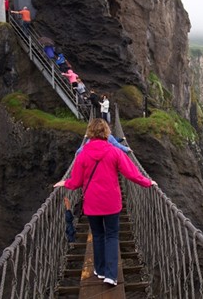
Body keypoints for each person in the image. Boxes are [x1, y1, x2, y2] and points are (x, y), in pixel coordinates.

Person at [54, 118, 157, 286]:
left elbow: (77, 181)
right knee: (111, 236)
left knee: (98, 236)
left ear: (90, 133)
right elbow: (131, 173)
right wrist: (147, 182)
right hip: (111, 203)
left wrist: (65, 183)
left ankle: (99, 270)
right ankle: (111, 275)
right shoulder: (115, 152)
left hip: (92, 205)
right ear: (107, 133)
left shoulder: (83, 154)